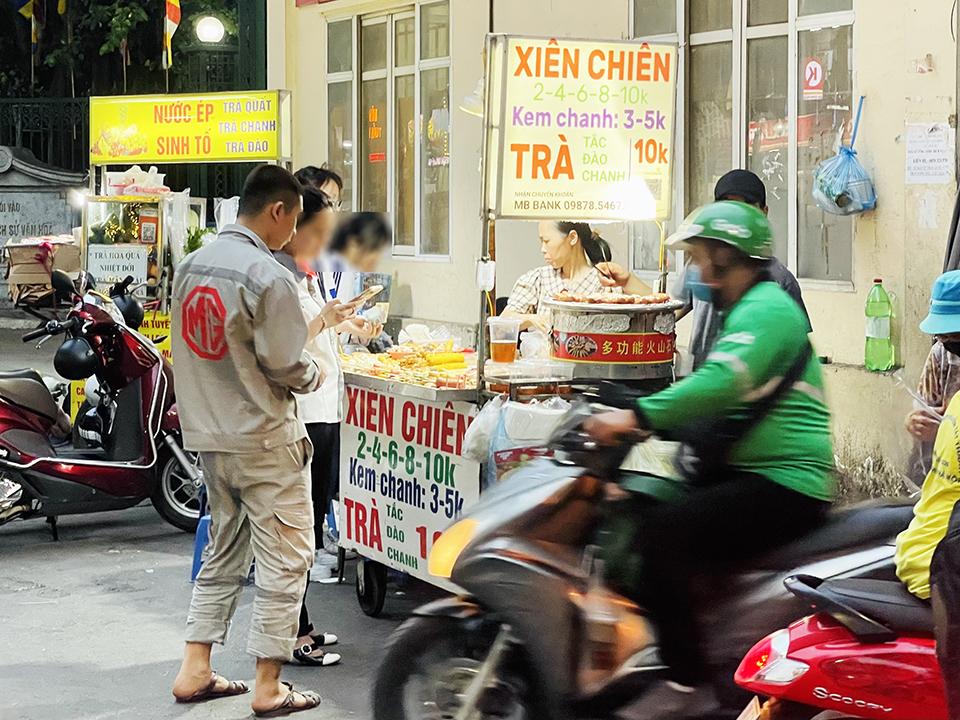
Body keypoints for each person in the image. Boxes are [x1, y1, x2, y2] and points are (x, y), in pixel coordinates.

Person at [586, 201, 834, 714]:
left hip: (785, 483)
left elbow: (722, 383)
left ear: (726, 257)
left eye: (700, 259)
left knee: (663, 534)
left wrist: (638, 418)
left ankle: (687, 683)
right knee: (646, 506)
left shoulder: (767, 309)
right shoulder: (747, 308)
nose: (697, 272)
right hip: (751, 471)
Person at [170, 165, 326, 717]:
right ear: (278, 211)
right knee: (286, 558)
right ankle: (268, 685)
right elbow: (285, 362)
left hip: (210, 439)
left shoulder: (190, 266)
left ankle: (196, 668)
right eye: (295, 221)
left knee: (223, 551)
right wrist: (314, 375)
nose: (293, 235)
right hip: (264, 439)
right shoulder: (269, 275)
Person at [274, 187, 364, 667]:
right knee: (298, 530)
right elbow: (281, 348)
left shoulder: (302, 275)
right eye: (320, 232)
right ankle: (288, 635)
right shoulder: (278, 278)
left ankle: (300, 623)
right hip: (303, 414)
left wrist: (338, 321)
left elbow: (311, 332)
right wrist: (324, 321)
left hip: (325, 408)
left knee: (310, 520)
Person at [679, 169, 810, 369]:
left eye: (745, 206)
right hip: (702, 379)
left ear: (764, 212)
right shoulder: (699, 266)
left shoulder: (781, 281)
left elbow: (796, 351)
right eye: (727, 206)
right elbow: (669, 310)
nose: (736, 215)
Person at [502, 220, 652, 333]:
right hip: (547, 372)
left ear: (572, 237)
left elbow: (664, 310)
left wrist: (627, 281)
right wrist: (531, 319)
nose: (543, 249)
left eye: (546, 241)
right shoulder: (538, 279)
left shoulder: (605, 282)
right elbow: (502, 323)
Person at [904, 270, 960, 483]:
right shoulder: (941, 354)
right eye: (941, 335)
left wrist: (948, 429)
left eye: (953, 334)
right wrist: (915, 422)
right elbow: (923, 409)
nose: (946, 341)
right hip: (945, 475)